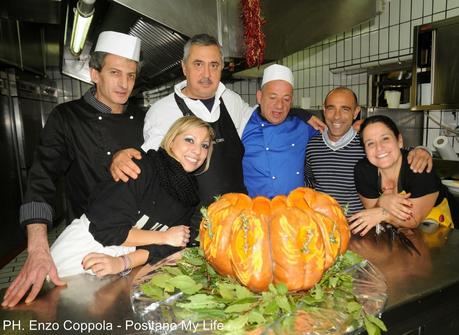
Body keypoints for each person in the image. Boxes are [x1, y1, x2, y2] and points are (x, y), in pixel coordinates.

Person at [110, 34, 324, 240]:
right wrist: (122, 157)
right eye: (198, 64)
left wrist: (299, 113)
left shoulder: (231, 101)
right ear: (184, 67)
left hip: (241, 225)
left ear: (221, 68)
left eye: (213, 65)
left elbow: (266, 114)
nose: (206, 74)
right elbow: (150, 170)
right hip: (194, 231)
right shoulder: (162, 111)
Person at [3, 31, 144, 307]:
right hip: (88, 245)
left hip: (138, 244)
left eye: (131, 75)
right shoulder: (67, 118)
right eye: (115, 72)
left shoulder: (143, 118)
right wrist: (37, 247)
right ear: (94, 73)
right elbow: (41, 180)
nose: (124, 84)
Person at [50, 116, 214, 277]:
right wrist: (163, 236)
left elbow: (170, 245)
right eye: (189, 140)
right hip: (83, 249)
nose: (198, 150)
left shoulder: (190, 196)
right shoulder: (139, 168)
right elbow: (107, 229)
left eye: (205, 145)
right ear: (171, 141)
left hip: (126, 262)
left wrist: (123, 262)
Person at [305, 87, 433, 216]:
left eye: (345, 109)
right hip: (322, 224)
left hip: (360, 225)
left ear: (356, 112)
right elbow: (309, 181)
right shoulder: (312, 145)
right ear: (324, 110)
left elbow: (399, 153)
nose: (337, 116)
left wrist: (422, 150)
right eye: (331, 108)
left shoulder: (366, 143)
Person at [349, 115, 457, 236]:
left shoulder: (418, 166)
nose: (379, 148)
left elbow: (413, 220)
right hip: (400, 234)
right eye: (370, 143)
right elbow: (371, 211)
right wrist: (382, 202)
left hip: (441, 233)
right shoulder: (363, 170)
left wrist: (383, 213)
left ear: (399, 141)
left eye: (385, 139)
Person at [242, 64, 318, 198]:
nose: (279, 106)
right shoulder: (242, 125)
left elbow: (334, 138)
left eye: (286, 99)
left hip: (293, 212)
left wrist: (359, 128)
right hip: (254, 214)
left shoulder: (303, 126)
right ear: (259, 97)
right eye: (272, 97)